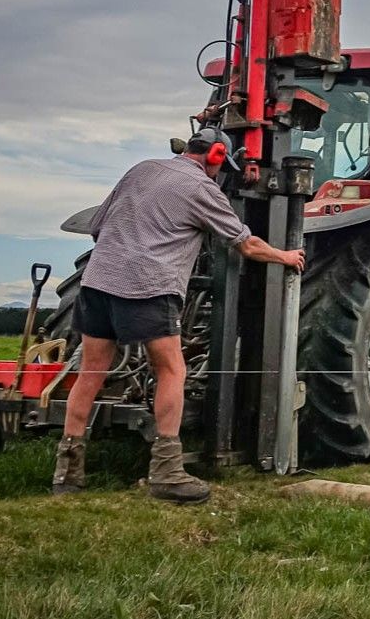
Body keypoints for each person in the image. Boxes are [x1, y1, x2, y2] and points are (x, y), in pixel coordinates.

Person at [51, 127, 305, 502]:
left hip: (97, 283)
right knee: (171, 369)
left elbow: (97, 227)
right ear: (216, 155)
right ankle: (167, 472)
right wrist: (285, 256)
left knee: (91, 373)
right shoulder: (203, 189)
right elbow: (246, 244)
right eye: (223, 165)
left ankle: (67, 475)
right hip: (148, 288)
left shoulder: (140, 169)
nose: (221, 174)